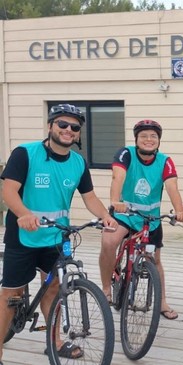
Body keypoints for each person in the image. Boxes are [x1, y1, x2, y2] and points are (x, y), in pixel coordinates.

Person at [0, 104, 118, 362]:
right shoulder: (26, 153)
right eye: (62, 124)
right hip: (24, 235)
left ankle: (54, 341)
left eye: (74, 127)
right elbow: (8, 191)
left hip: (56, 237)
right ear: (50, 125)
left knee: (53, 288)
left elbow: (89, 197)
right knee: (12, 293)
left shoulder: (78, 162)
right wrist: (23, 214)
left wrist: (106, 217)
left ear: (78, 133)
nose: (68, 130)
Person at [99, 119, 183, 320]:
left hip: (150, 218)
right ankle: (106, 288)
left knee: (155, 260)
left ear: (159, 140)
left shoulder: (165, 161)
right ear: (136, 139)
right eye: (144, 136)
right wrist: (115, 200)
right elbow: (117, 177)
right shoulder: (126, 154)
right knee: (109, 241)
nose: (149, 139)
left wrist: (179, 210)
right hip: (124, 214)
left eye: (153, 136)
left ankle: (162, 302)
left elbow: (172, 186)